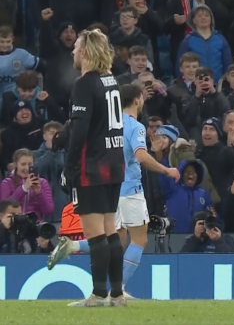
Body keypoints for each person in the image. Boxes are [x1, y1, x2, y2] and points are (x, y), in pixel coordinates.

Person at [48, 84, 180, 298]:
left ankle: (72, 245)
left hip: (107, 188)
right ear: (137, 100)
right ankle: (119, 290)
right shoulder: (135, 126)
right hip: (130, 189)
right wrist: (166, 170)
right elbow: (140, 156)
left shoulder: (107, 126)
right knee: (139, 240)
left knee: (115, 240)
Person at [64, 29, 126, 307]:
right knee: (110, 229)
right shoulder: (111, 81)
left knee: (95, 233)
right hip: (114, 163)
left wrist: (69, 167)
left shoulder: (84, 83)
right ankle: (117, 293)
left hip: (92, 165)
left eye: (76, 47)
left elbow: (80, 133)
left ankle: (98, 294)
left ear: (86, 52)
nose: (73, 52)